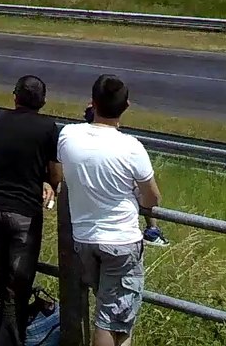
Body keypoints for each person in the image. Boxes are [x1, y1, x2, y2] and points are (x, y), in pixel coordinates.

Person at [58, 75, 161, 346]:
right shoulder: (131, 147)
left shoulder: (68, 135)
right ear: (126, 106)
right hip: (120, 241)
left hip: (85, 240)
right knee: (109, 319)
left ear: (91, 103)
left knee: (119, 318)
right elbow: (152, 197)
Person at [0, 75, 62, 346]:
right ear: (43, 101)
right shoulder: (49, 128)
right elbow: (55, 173)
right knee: (16, 290)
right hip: (25, 213)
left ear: (15, 96)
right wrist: (47, 181)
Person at [84, 101, 170, 248]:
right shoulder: (127, 146)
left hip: (85, 228)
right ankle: (152, 230)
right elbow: (152, 197)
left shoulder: (72, 137)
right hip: (115, 234)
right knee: (138, 186)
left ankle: (152, 230)